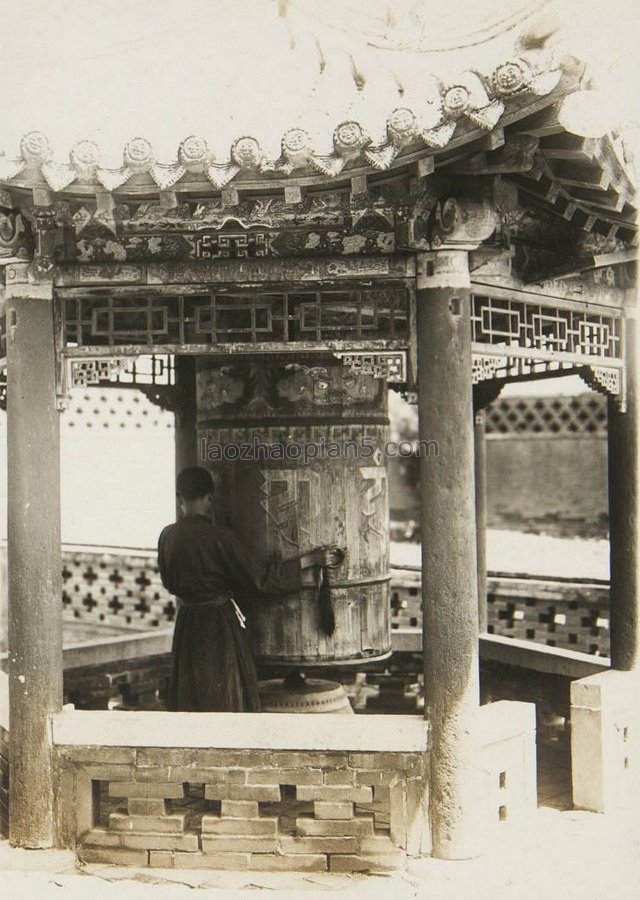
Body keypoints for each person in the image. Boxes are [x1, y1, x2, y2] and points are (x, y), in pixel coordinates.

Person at [158, 466, 341, 712]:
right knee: (223, 698)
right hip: (217, 627)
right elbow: (262, 579)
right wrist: (311, 559)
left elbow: (168, 582)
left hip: (187, 625)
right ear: (210, 498)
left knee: (192, 696)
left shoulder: (167, 536)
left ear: (179, 498)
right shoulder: (219, 537)